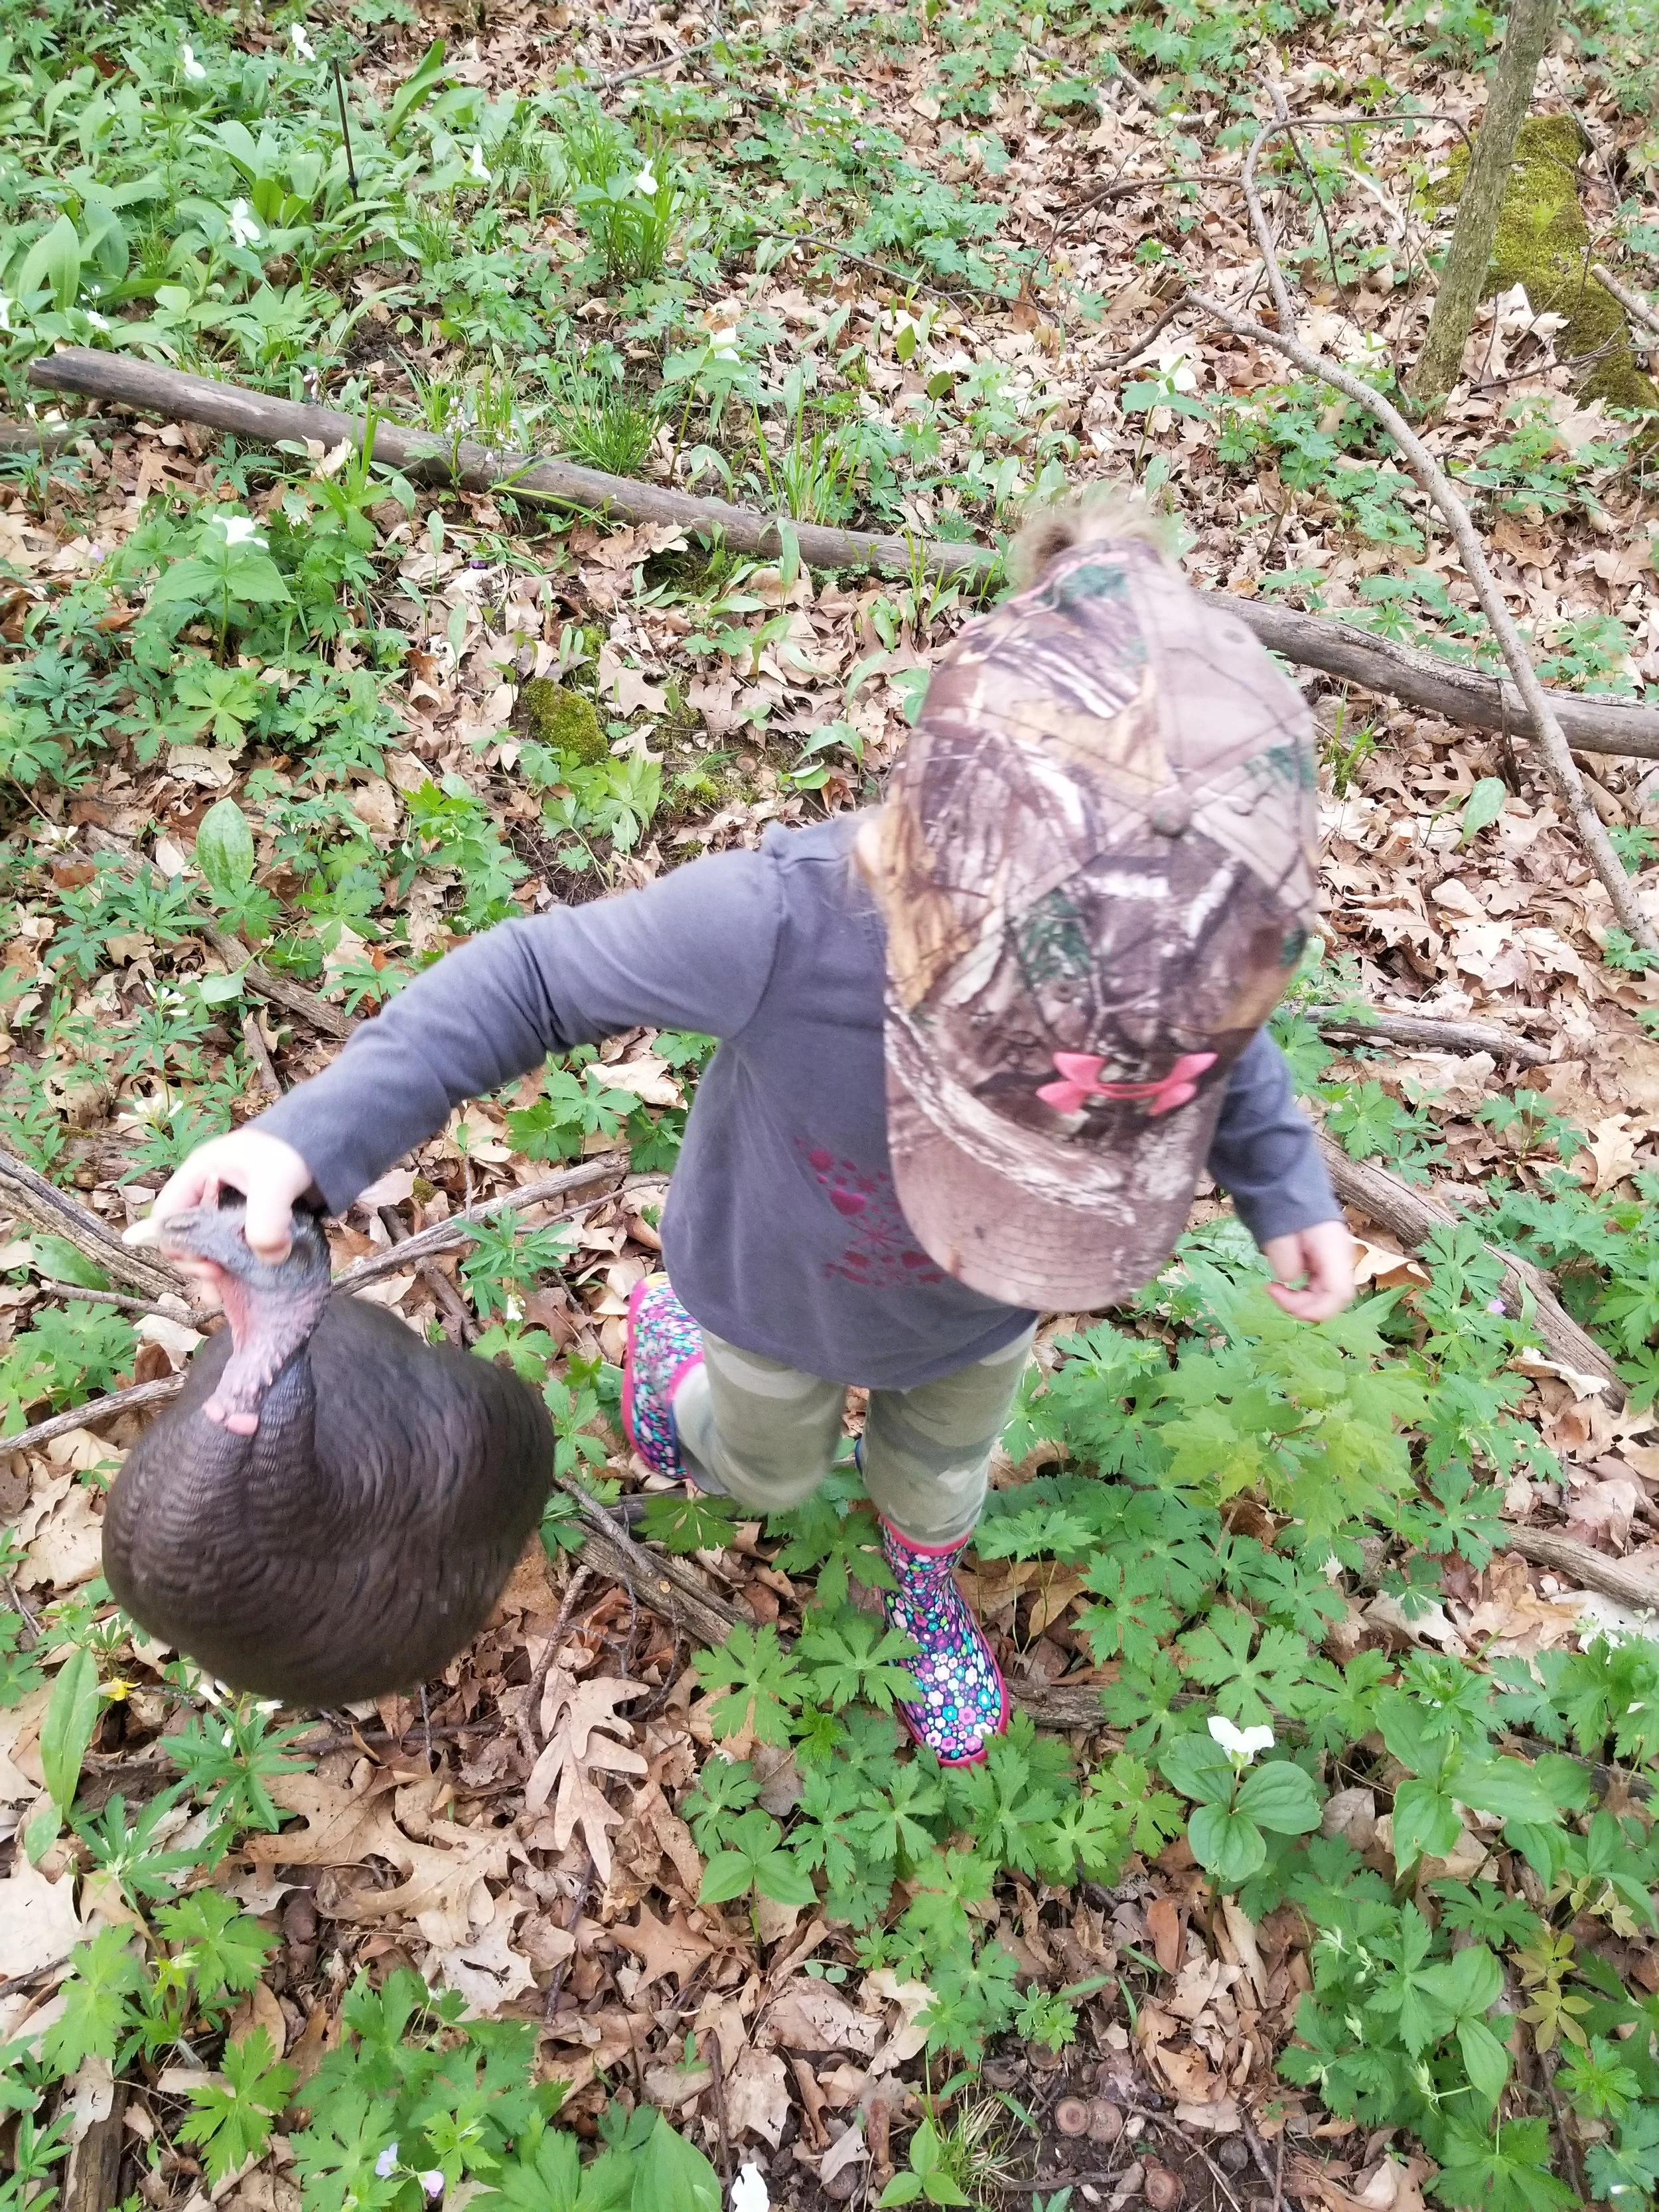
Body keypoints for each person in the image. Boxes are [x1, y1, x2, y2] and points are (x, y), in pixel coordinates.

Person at [145, 488, 1354, 1769]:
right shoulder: (787, 925)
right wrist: (310, 1139)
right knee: (763, 1465)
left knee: (941, 1472)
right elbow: (535, 979)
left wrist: (1288, 1188)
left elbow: (1234, 1058)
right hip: (777, 1289)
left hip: (984, 1314)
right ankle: (677, 1362)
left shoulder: (1184, 964)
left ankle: (922, 1574)